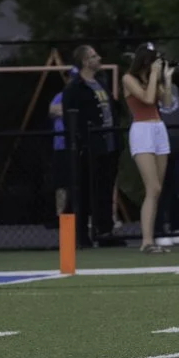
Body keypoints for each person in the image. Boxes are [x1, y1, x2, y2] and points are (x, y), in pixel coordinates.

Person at [52, 44, 117, 246]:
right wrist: (79, 141)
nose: (98, 58)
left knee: (105, 189)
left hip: (108, 144)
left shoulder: (101, 83)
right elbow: (72, 118)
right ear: (85, 61)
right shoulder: (74, 87)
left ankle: (105, 232)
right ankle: (76, 235)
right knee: (81, 191)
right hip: (87, 146)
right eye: (94, 56)